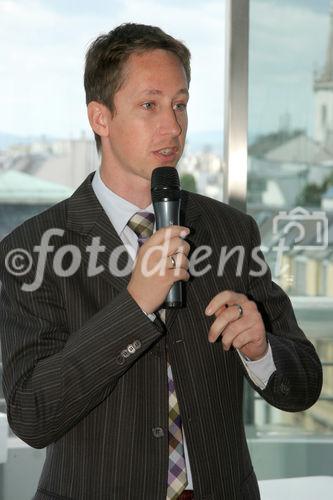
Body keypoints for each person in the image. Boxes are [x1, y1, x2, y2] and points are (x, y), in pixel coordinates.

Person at [0, 23, 322, 500]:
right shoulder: (31, 249)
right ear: (100, 118)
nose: (173, 127)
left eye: (180, 104)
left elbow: (303, 387)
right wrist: (134, 306)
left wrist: (262, 352)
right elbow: (31, 414)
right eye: (150, 105)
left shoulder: (230, 230)